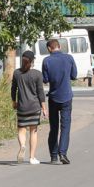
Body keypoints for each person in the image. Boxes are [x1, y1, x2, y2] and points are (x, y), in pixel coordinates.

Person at [40, 37, 78, 165]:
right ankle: (63, 153)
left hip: (53, 98)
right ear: (59, 47)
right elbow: (74, 75)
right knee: (65, 127)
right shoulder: (69, 58)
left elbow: (45, 79)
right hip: (67, 97)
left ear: (49, 49)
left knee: (54, 127)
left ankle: (53, 156)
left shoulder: (46, 61)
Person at [11, 50, 46, 164]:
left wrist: (14, 102)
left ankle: (22, 145)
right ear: (32, 61)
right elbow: (40, 92)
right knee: (33, 131)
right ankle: (32, 157)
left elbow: (13, 89)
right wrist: (44, 108)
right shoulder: (37, 74)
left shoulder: (17, 73)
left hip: (22, 107)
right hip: (34, 107)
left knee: (21, 130)